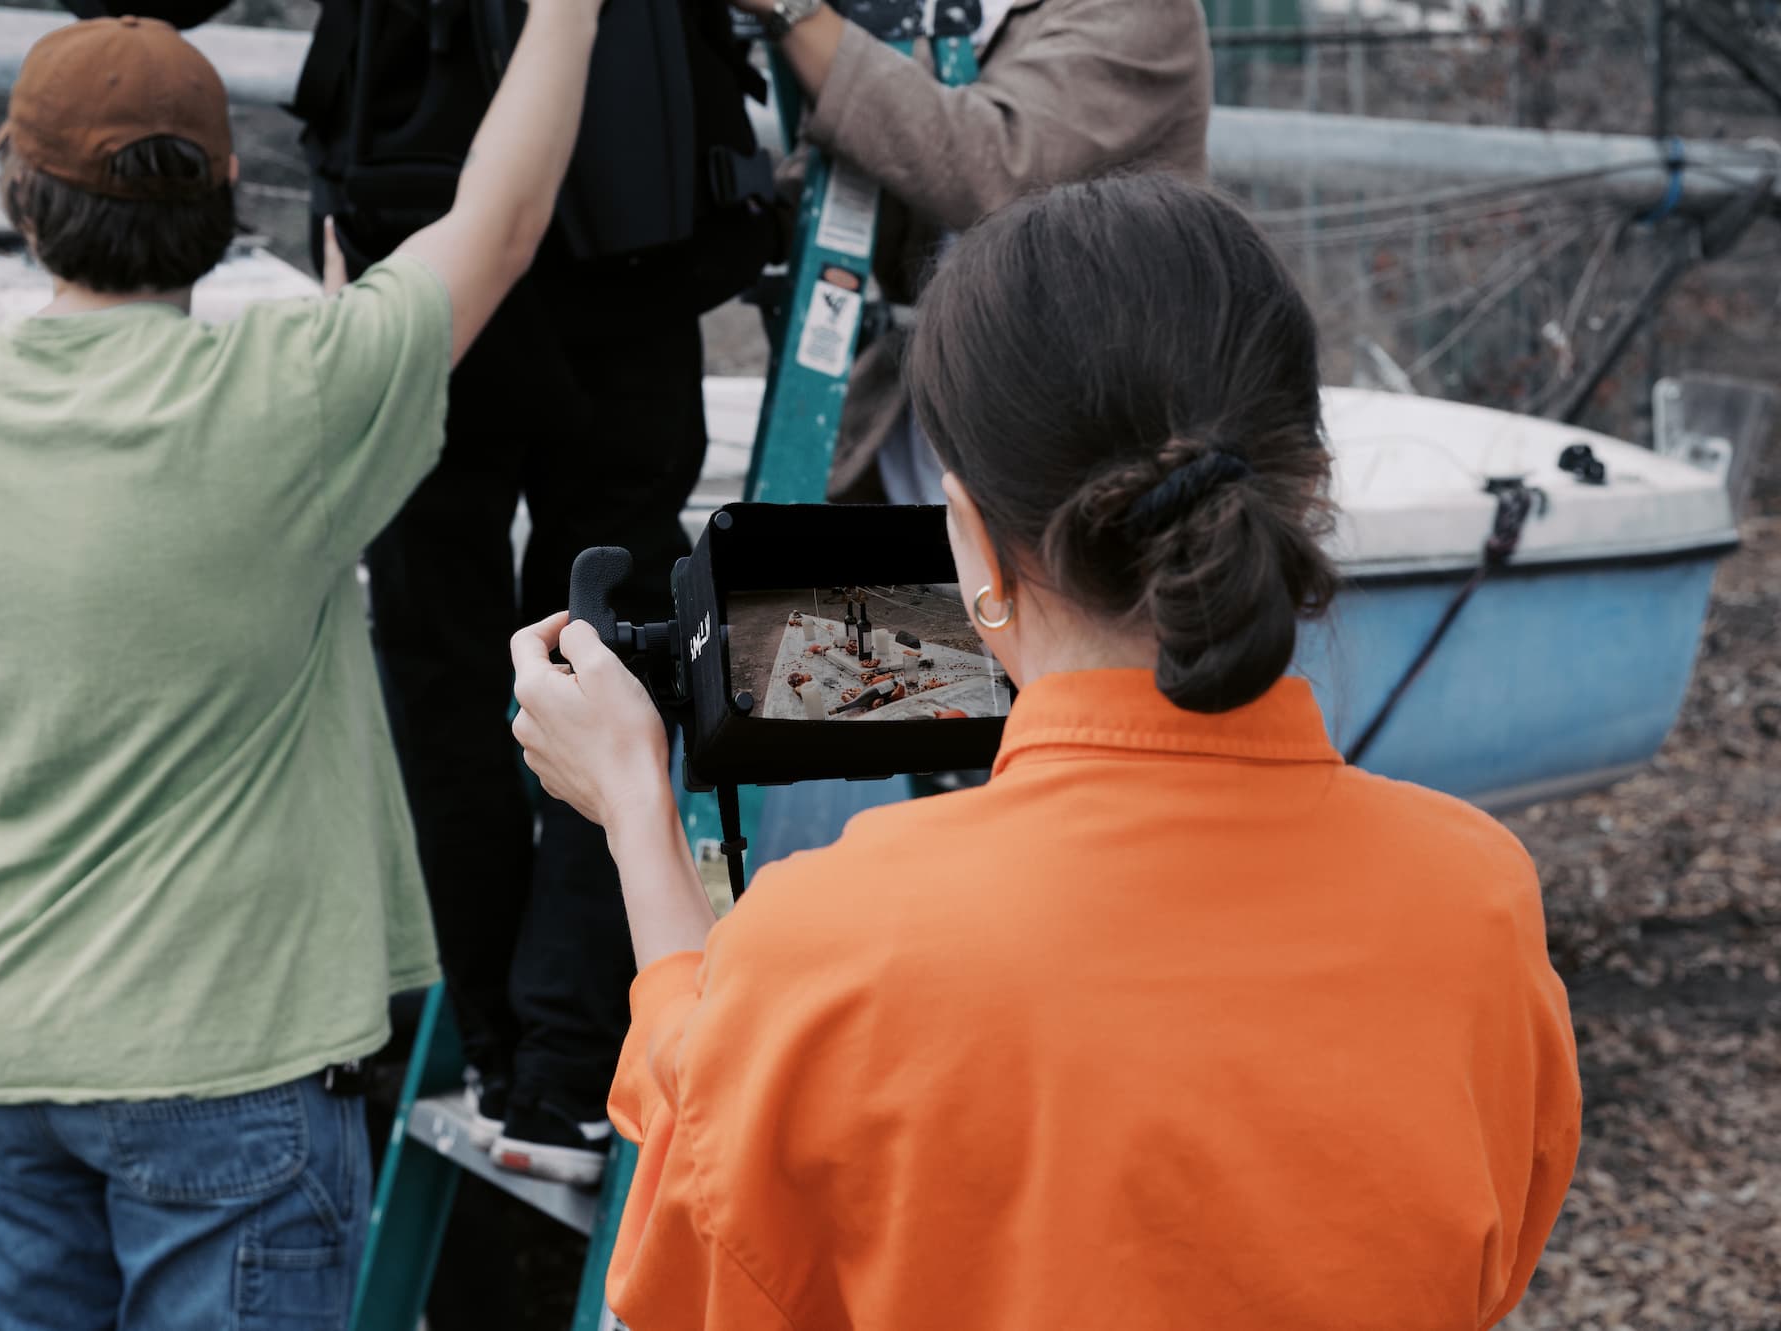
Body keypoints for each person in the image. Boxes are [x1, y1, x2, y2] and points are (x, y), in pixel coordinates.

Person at [509, 174, 1583, 1330]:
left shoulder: (831, 948)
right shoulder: (1476, 900)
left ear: (967, 532)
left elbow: (705, 1204)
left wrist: (635, 808)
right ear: (1302, 488)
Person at [0, 8, 596, 1325]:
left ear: (18, 196)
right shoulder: (296, 398)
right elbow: (502, 223)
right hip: (227, 1070)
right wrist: (570, 10)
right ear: (222, 193)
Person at [81, 0, 776, 1191]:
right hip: (630, 229)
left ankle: (517, 1055)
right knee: (601, 644)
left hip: (427, 233)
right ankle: (556, 1066)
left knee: (443, 656)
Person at [741, 0, 1212, 503]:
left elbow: (994, 168)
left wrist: (796, 11)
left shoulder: (1145, 12)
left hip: (1089, 449)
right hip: (921, 430)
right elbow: (867, 156)